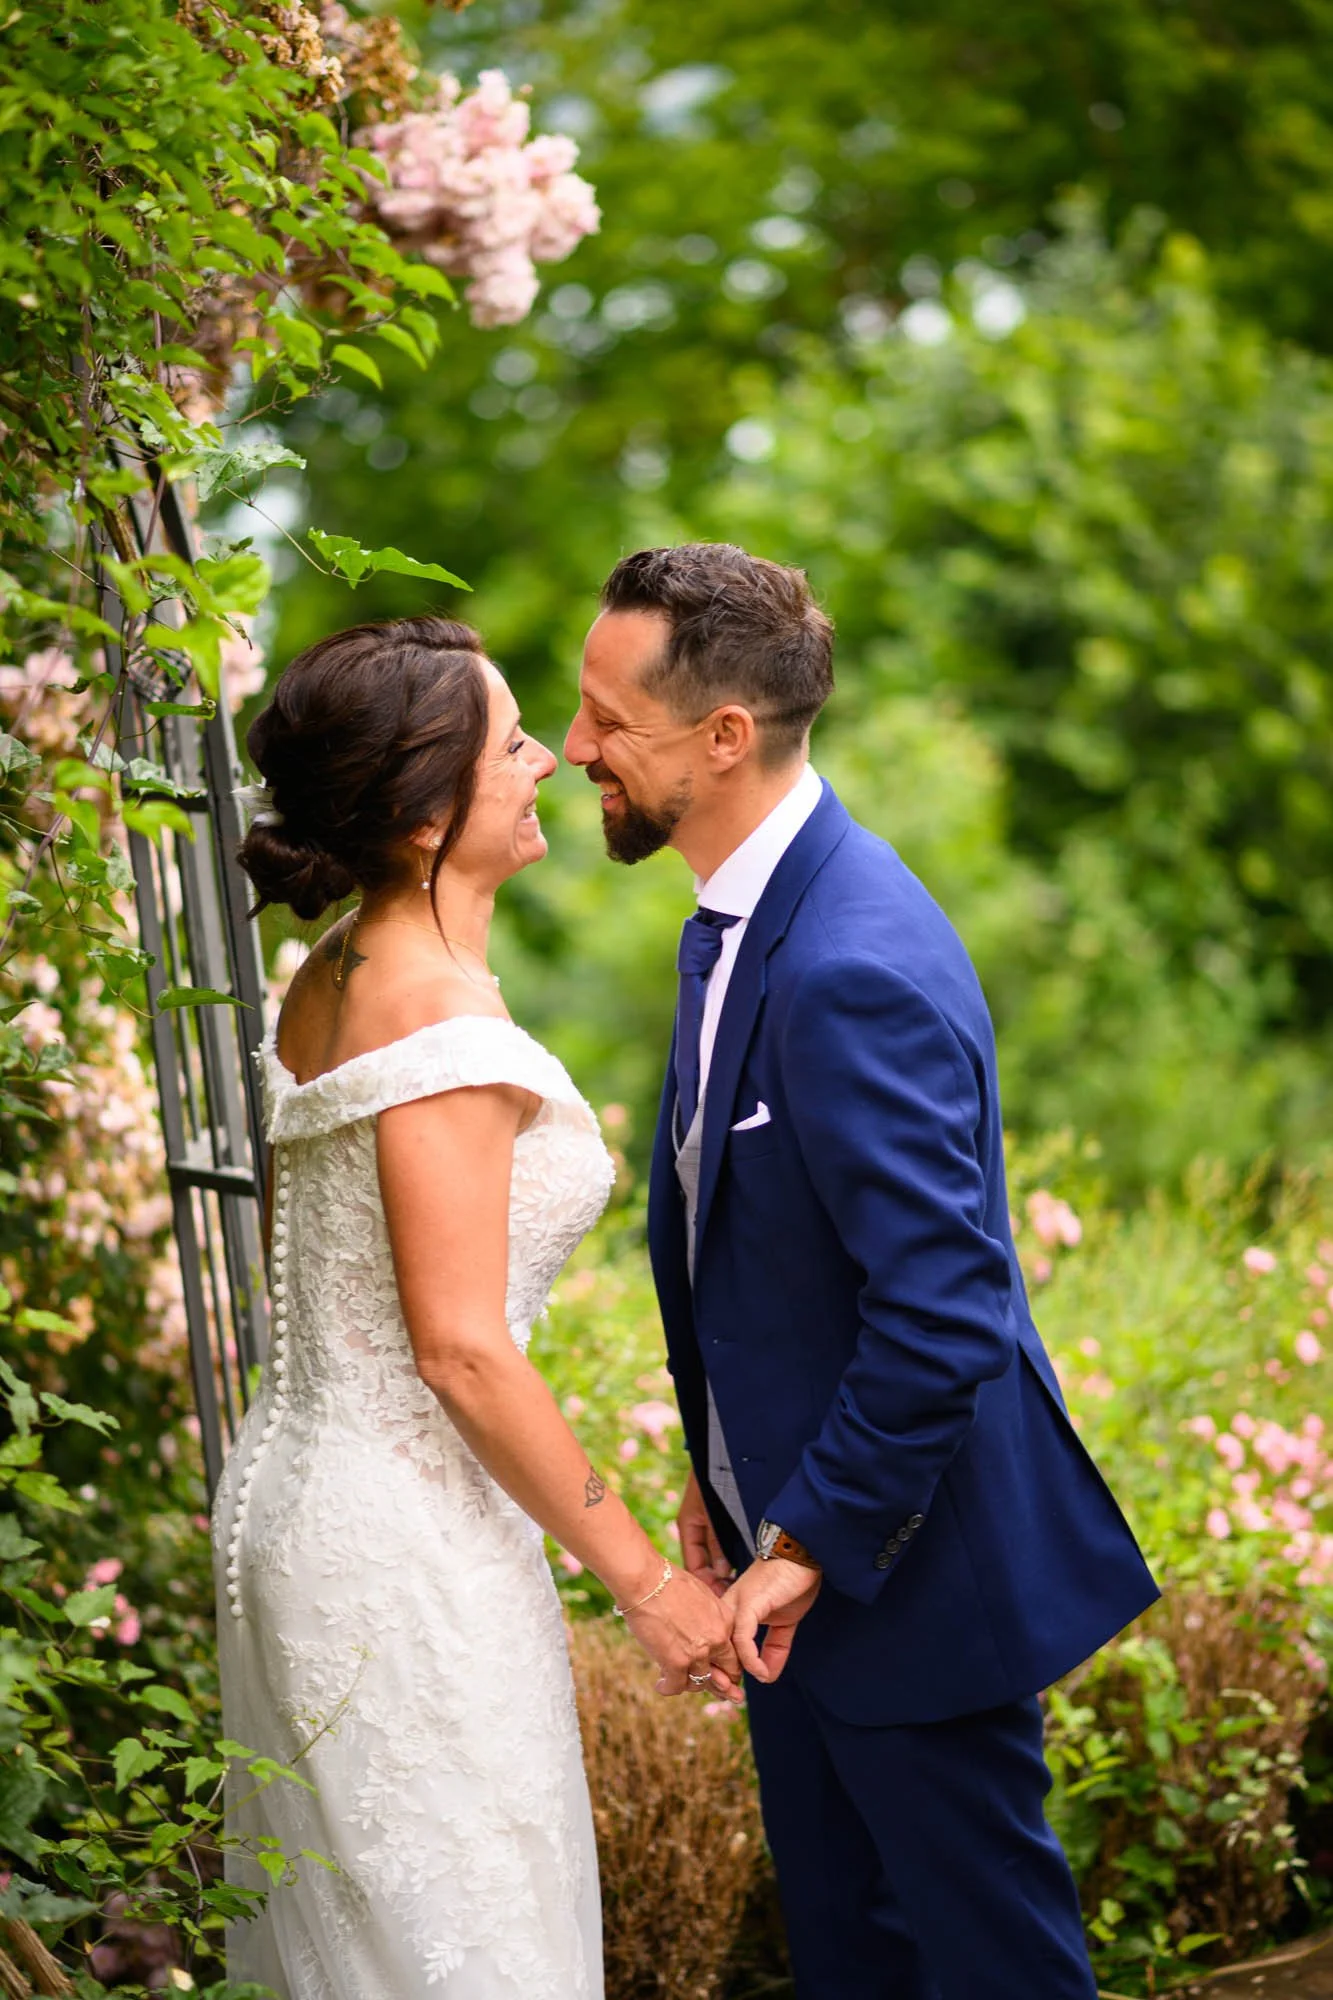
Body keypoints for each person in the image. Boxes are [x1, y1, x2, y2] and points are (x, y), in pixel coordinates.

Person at [565, 545, 1161, 2000]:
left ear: (723, 736)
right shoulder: (745, 919)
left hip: (905, 1580)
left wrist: (808, 1541)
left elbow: (941, 1311)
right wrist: (731, 1496)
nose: (574, 745)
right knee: (855, 1966)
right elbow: (764, 1265)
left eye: (603, 717)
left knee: (991, 1970)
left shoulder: (849, 959)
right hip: (804, 1569)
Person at [214, 614, 741, 2000]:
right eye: (514, 741)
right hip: (403, 1540)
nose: (548, 765)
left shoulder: (327, 975)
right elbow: (454, 1345)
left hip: (307, 1493)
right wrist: (646, 1586)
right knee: (469, 1943)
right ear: (429, 804)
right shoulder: (438, 1025)